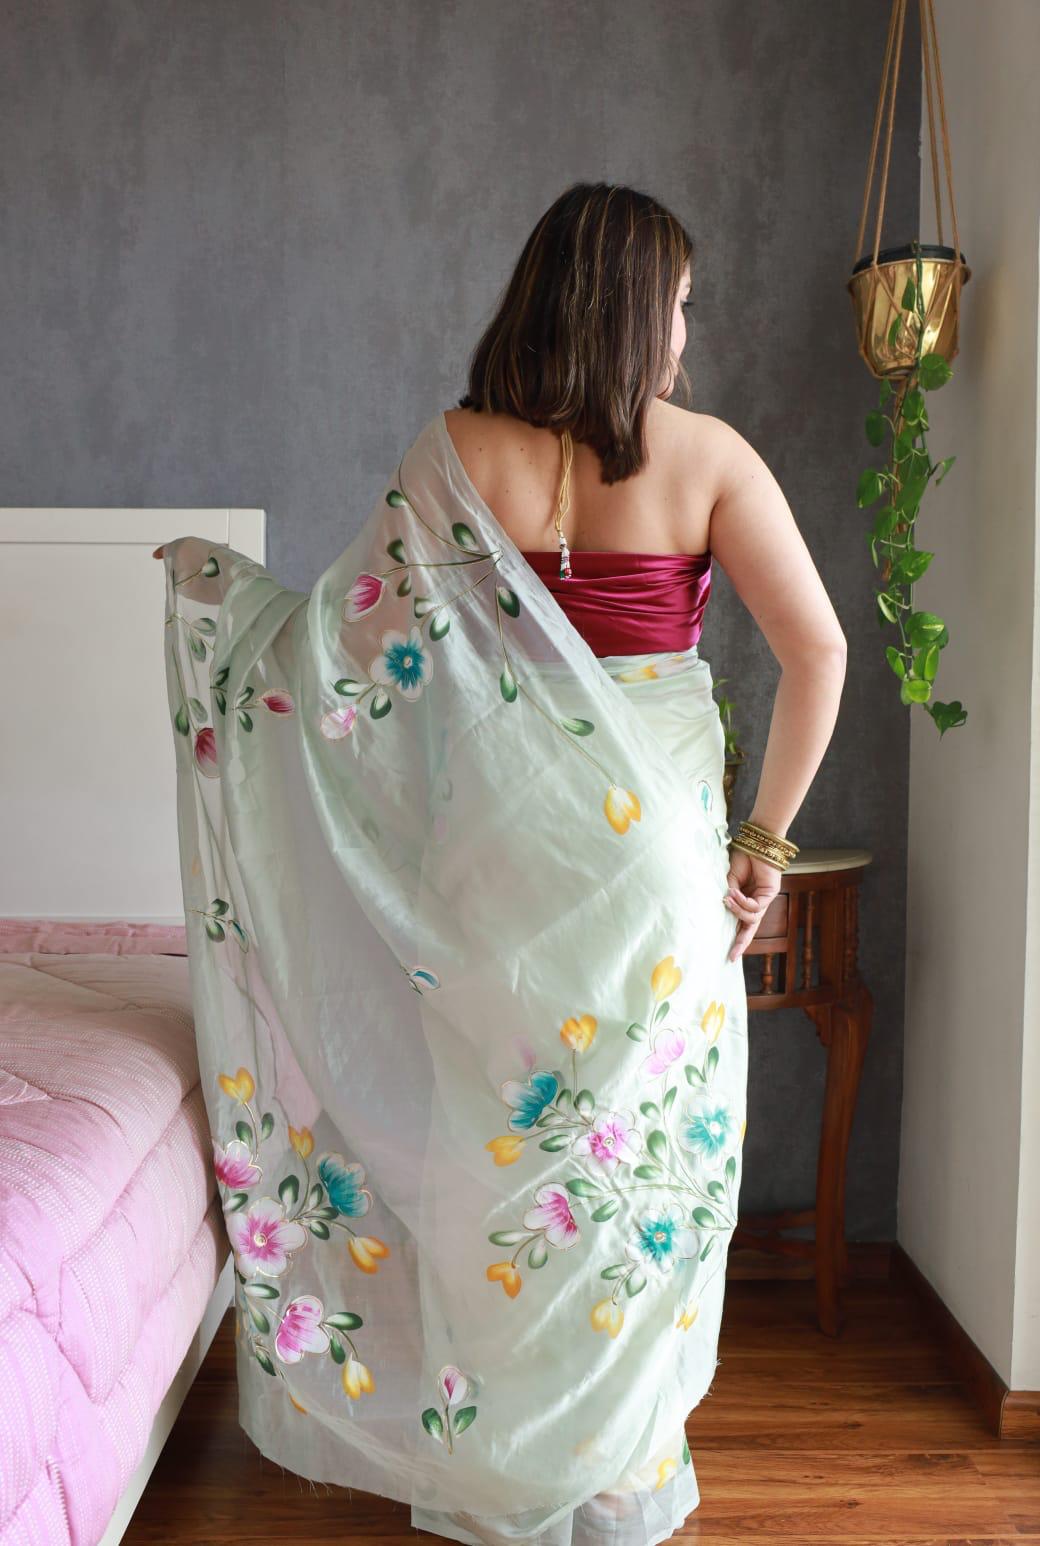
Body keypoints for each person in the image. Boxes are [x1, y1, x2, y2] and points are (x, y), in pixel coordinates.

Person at [156, 181, 845, 1546]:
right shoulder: (709, 458)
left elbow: (336, 662)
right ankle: (614, 1473)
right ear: (635, 307)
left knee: (499, 1155)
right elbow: (818, 649)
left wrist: (222, 620)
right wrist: (763, 845)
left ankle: (502, 1473)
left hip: (489, 859)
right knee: (642, 1166)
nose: (686, 332)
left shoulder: (454, 452)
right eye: (680, 304)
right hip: (651, 874)